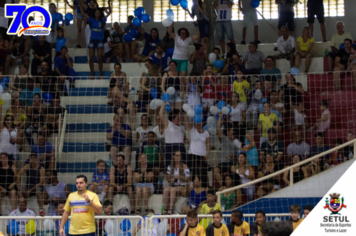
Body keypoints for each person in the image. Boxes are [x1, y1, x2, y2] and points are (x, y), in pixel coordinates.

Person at [79, 4, 111, 79]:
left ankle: (100, 75)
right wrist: (80, 5)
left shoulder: (102, 20)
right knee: (91, 58)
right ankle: (92, 75)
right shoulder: (92, 20)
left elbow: (109, 13)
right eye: (96, 12)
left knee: (100, 58)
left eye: (98, 12)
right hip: (92, 41)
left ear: (100, 14)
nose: (97, 13)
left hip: (100, 41)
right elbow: (83, 13)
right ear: (94, 14)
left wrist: (109, 3)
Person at [214, 113, 240, 187]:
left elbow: (238, 153)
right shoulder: (223, 138)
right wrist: (220, 117)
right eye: (232, 131)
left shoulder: (236, 141)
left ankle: (232, 187)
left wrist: (232, 156)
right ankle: (223, 186)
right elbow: (218, 129)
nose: (233, 133)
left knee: (233, 169)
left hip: (231, 163)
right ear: (228, 132)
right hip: (222, 163)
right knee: (216, 170)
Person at [159, 101, 187, 168]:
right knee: (170, 167)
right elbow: (160, 114)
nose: (181, 115)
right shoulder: (168, 124)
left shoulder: (182, 127)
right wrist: (163, 104)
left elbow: (185, 139)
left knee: (182, 167)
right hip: (170, 147)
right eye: (180, 114)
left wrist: (186, 140)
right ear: (176, 115)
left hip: (181, 147)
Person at [163, 150, 190, 215]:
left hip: (182, 186)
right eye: (177, 155)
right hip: (174, 185)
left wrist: (180, 177)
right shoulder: (170, 166)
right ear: (173, 156)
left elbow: (188, 179)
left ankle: (171, 209)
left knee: (172, 189)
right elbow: (168, 179)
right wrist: (171, 179)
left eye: (180, 155)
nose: (179, 157)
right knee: (166, 190)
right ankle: (165, 209)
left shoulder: (184, 166)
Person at [186, 115, 210, 179]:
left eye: (200, 122)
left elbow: (208, 144)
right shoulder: (192, 130)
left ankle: (204, 187)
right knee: (194, 172)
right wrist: (186, 113)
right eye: (197, 122)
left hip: (203, 155)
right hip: (193, 155)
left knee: (203, 173)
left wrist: (207, 155)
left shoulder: (206, 133)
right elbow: (186, 122)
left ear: (202, 123)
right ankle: (194, 187)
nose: (198, 124)